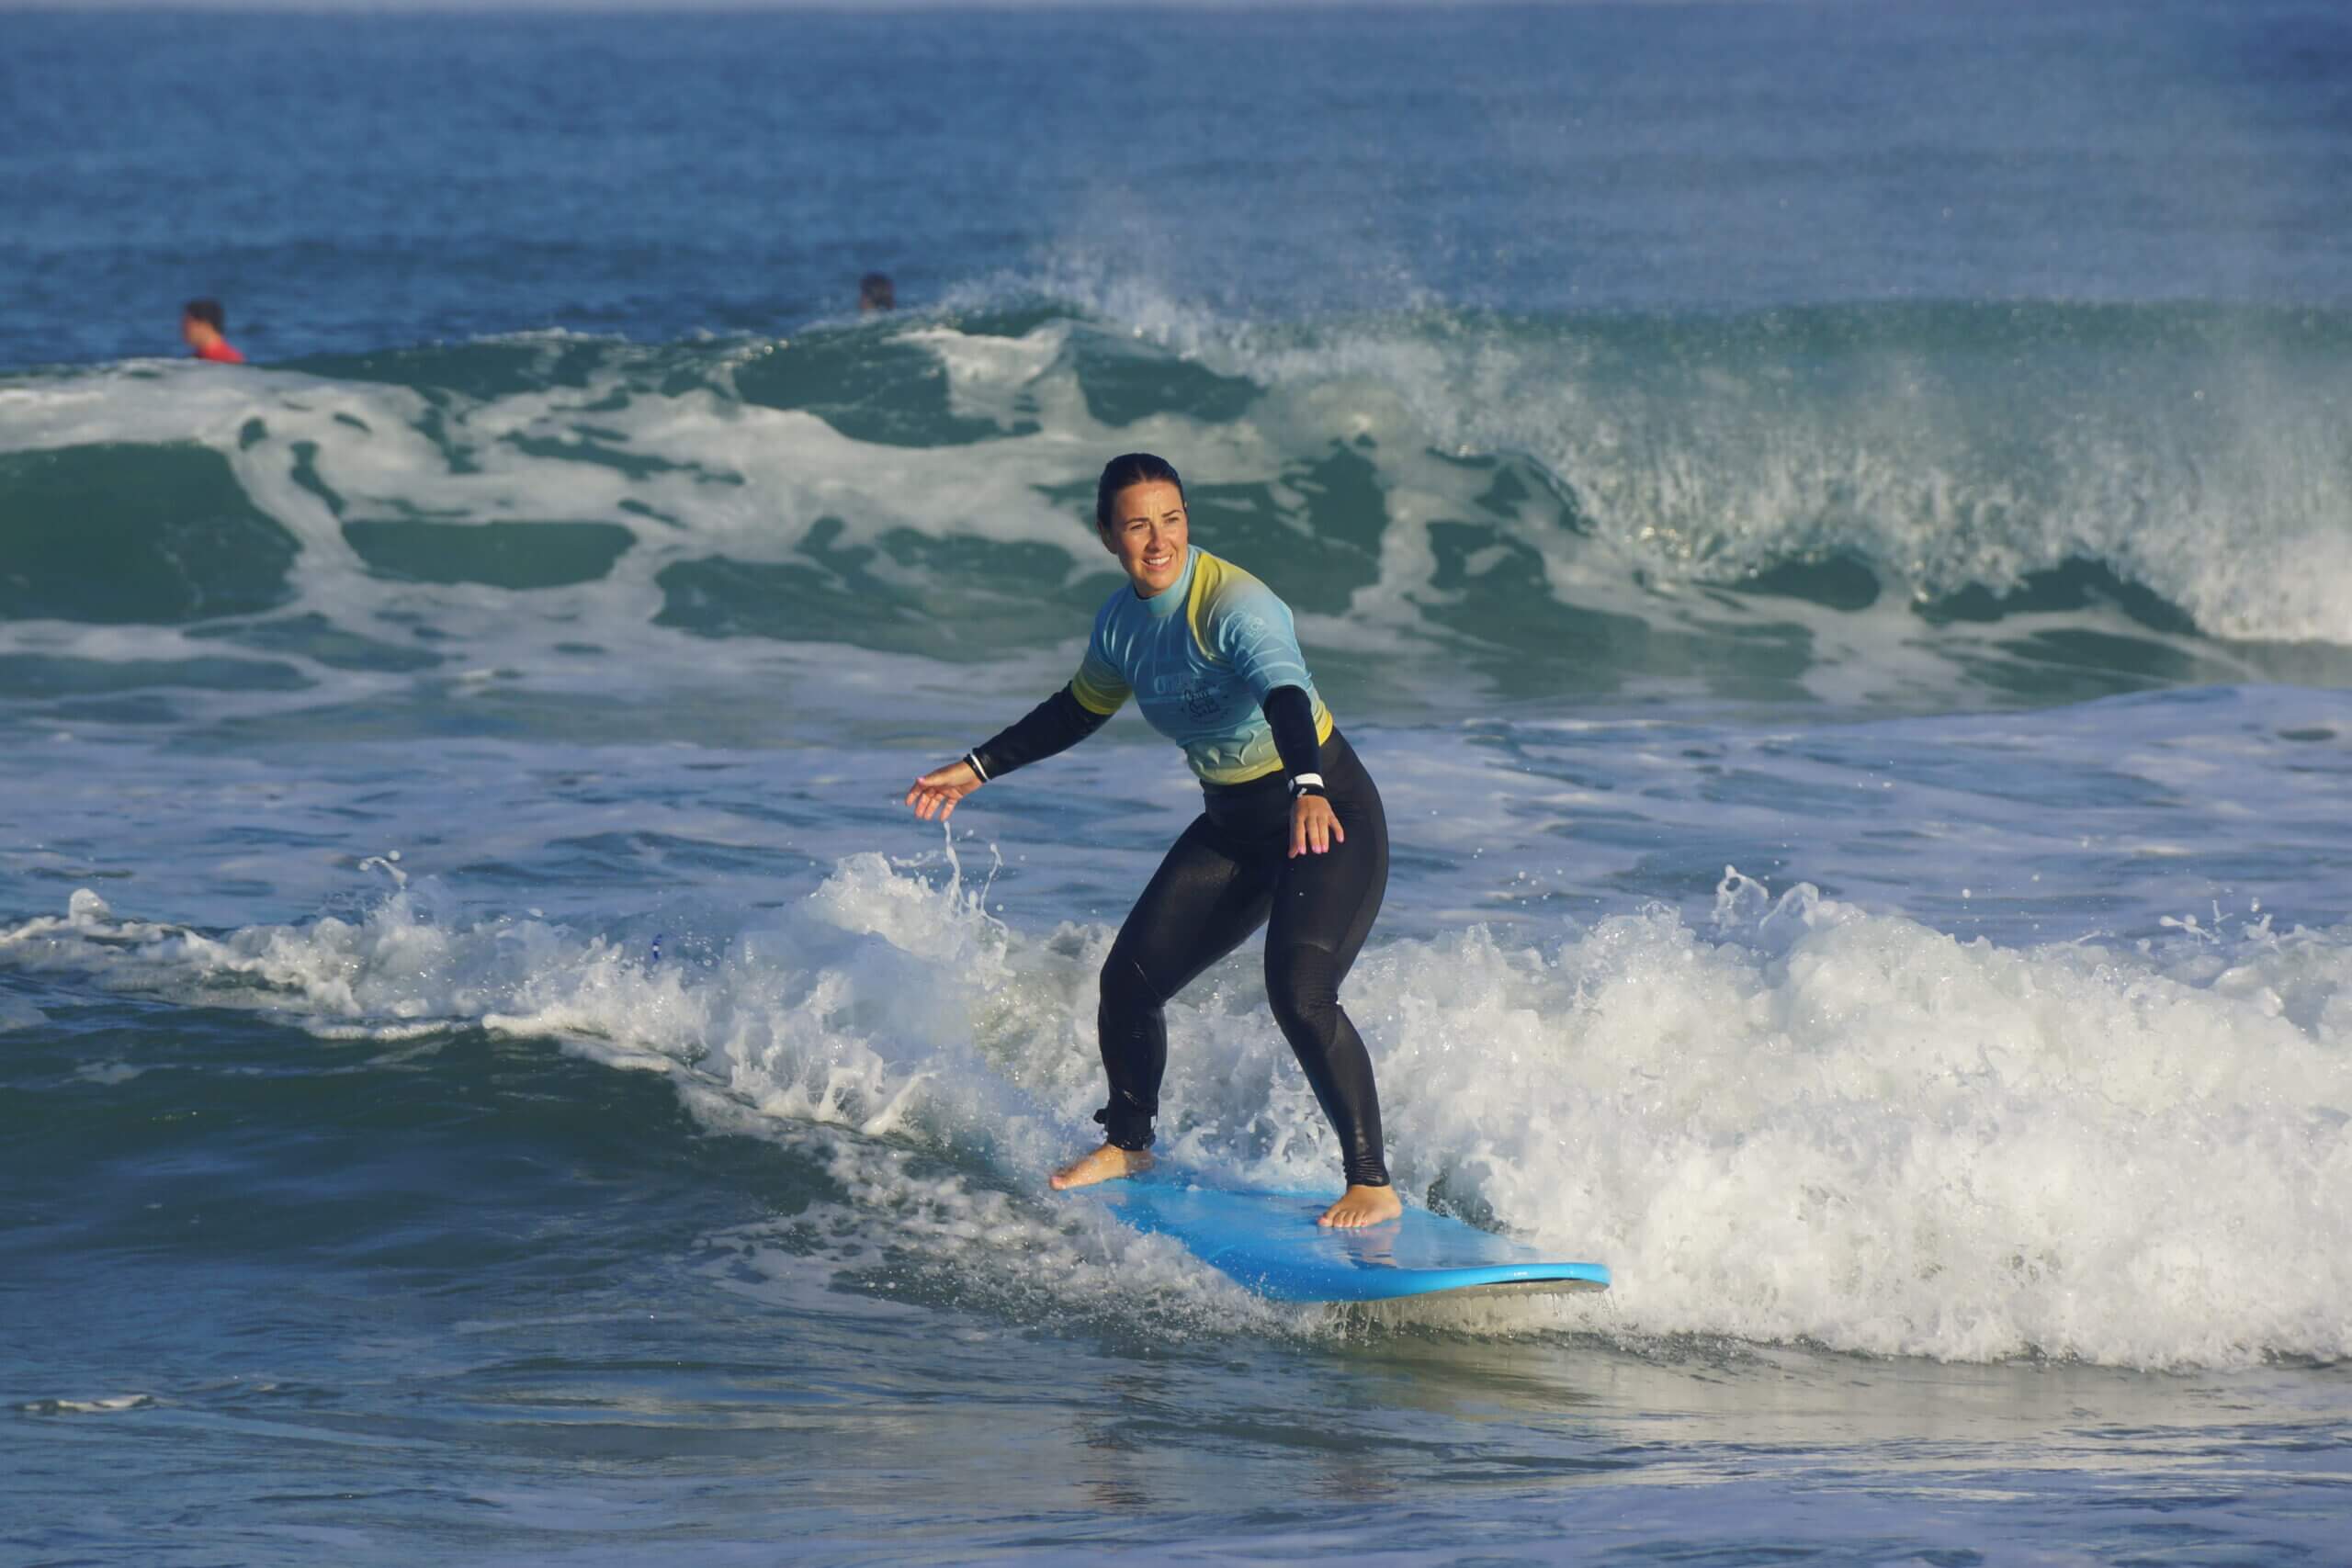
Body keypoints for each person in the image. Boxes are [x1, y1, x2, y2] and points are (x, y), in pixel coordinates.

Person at [904, 454, 1403, 1229]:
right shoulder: (1122, 625)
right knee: (1129, 982)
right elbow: (1076, 709)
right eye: (1138, 525)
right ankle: (1129, 1143)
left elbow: (1284, 695)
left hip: (1325, 811)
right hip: (1235, 826)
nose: (1158, 538)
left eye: (1171, 519)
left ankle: (1370, 1179)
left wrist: (1306, 786)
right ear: (1108, 536)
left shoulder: (1236, 603)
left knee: (1299, 992)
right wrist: (976, 768)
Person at [180, 299, 244, 364]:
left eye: (187, 323)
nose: (183, 329)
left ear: (205, 325)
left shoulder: (228, 359)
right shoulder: (195, 358)